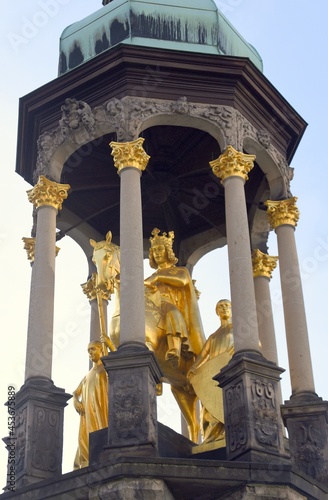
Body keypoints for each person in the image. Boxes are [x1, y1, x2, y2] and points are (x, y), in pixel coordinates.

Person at [144, 228, 205, 369]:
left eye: (160, 249)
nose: (157, 253)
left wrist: (158, 277)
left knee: (172, 312)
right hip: (152, 307)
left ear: (167, 251)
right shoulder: (149, 279)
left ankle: (174, 348)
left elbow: (183, 281)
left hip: (169, 304)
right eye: (154, 250)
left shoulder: (179, 271)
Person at [188, 299, 234, 444]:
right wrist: (194, 368)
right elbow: (203, 355)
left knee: (231, 403)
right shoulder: (214, 336)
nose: (224, 308)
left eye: (227, 305)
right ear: (217, 312)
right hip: (214, 376)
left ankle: (230, 434)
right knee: (210, 409)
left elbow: (256, 343)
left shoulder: (238, 330)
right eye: (220, 306)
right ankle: (212, 438)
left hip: (232, 372)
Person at [73, 341, 108, 469]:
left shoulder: (106, 369)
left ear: (101, 349)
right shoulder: (87, 376)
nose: (90, 353)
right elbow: (76, 392)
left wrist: (109, 345)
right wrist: (75, 400)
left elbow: (121, 370)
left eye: (93, 349)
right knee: (86, 438)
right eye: (88, 351)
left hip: (101, 411)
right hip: (88, 415)